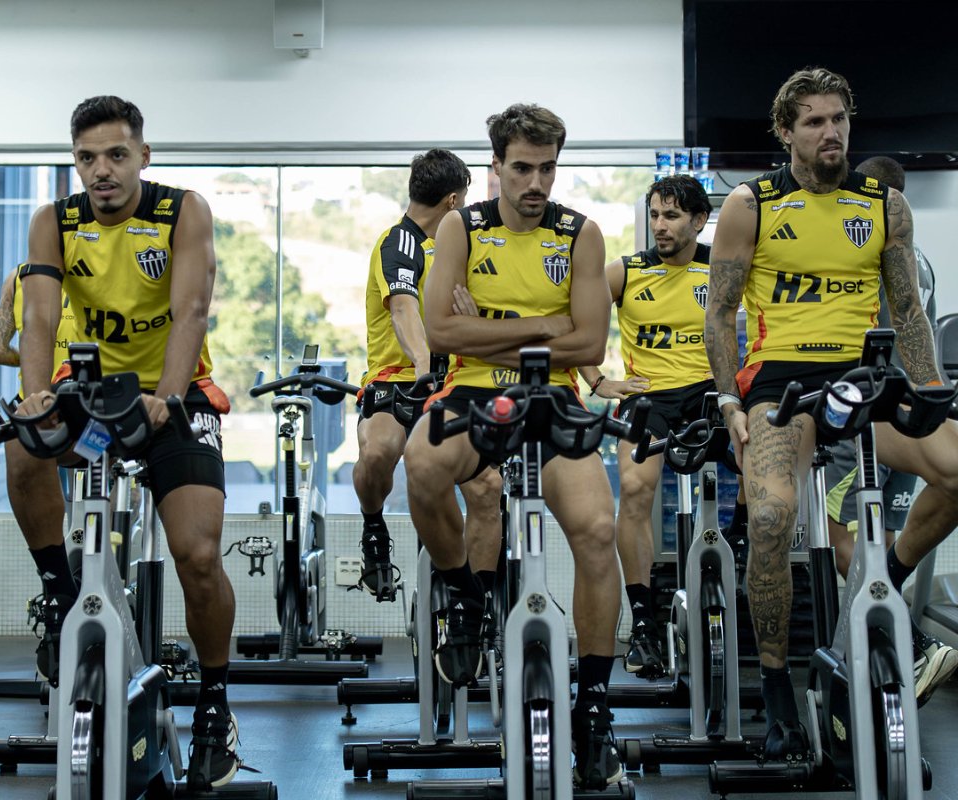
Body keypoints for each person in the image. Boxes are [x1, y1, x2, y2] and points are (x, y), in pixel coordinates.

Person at [704, 67, 958, 759]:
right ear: (786, 132)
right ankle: (780, 691)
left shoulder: (883, 206)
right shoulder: (751, 205)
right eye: (814, 121)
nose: (831, 131)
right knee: (770, 518)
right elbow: (720, 314)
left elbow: (907, 312)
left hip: (864, 375)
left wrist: (931, 388)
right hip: (780, 383)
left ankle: (890, 577)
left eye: (839, 118)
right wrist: (729, 401)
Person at [16, 96, 240, 790]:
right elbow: (42, 314)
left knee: (197, 553)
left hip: (173, 392)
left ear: (143, 155)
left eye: (116, 155)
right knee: (25, 450)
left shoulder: (182, 210)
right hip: (88, 393)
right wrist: (33, 396)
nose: (101, 171)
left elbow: (190, 309)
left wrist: (167, 398)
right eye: (87, 158)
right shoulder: (54, 220)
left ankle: (213, 701)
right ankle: (59, 592)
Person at [404, 103, 624, 789]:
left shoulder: (580, 234)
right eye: (522, 168)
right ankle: (464, 592)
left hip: (553, 397)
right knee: (420, 466)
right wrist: (542, 322)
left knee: (597, 533)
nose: (536, 182)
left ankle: (593, 704)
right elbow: (441, 332)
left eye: (548, 168)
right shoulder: (459, 226)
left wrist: (496, 324)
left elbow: (588, 343)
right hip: (473, 394)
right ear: (495, 167)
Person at [579, 173, 747, 679]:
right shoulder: (626, 272)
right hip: (648, 396)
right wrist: (596, 379)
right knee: (633, 489)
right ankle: (646, 621)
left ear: (699, 220)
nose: (660, 225)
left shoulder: (724, 268)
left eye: (672, 215)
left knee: (757, 456)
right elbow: (574, 311)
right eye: (655, 215)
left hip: (710, 391)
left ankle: (734, 552)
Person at [821, 155, 955, 704]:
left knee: (834, 538)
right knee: (875, 537)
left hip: (861, 410)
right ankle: (894, 600)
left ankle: (913, 638)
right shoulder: (918, 261)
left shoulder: (866, 249)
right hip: (903, 407)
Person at [353, 149, 502, 606]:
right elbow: (403, 307)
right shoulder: (399, 243)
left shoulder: (461, 248)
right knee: (380, 452)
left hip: (455, 382)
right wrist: (422, 366)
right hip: (398, 379)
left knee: (487, 488)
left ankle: (477, 605)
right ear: (453, 200)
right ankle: (373, 526)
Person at [0, 264, 79, 684]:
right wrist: (45, 369)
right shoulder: (19, 277)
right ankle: (58, 589)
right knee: (21, 449)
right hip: (46, 407)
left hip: (101, 399)